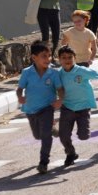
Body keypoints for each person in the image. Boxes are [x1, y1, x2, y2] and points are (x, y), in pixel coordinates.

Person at [57, 45, 98, 167]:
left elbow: (97, 74)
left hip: (83, 108)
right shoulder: (58, 74)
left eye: (70, 57)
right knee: (63, 135)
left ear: (75, 58)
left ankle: (80, 137)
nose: (67, 60)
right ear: (59, 60)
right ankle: (70, 153)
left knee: (84, 136)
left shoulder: (81, 71)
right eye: (63, 58)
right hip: (67, 107)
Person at [16, 40, 64, 174]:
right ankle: (52, 128)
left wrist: (60, 99)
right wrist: (20, 97)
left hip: (47, 107)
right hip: (30, 109)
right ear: (34, 58)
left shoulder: (53, 73)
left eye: (49, 56)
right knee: (38, 135)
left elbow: (60, 89)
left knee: (45, 136)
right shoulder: (27, 72)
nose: (48, 59)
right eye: (44, 56)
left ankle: (44, 162)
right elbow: (20, 89)